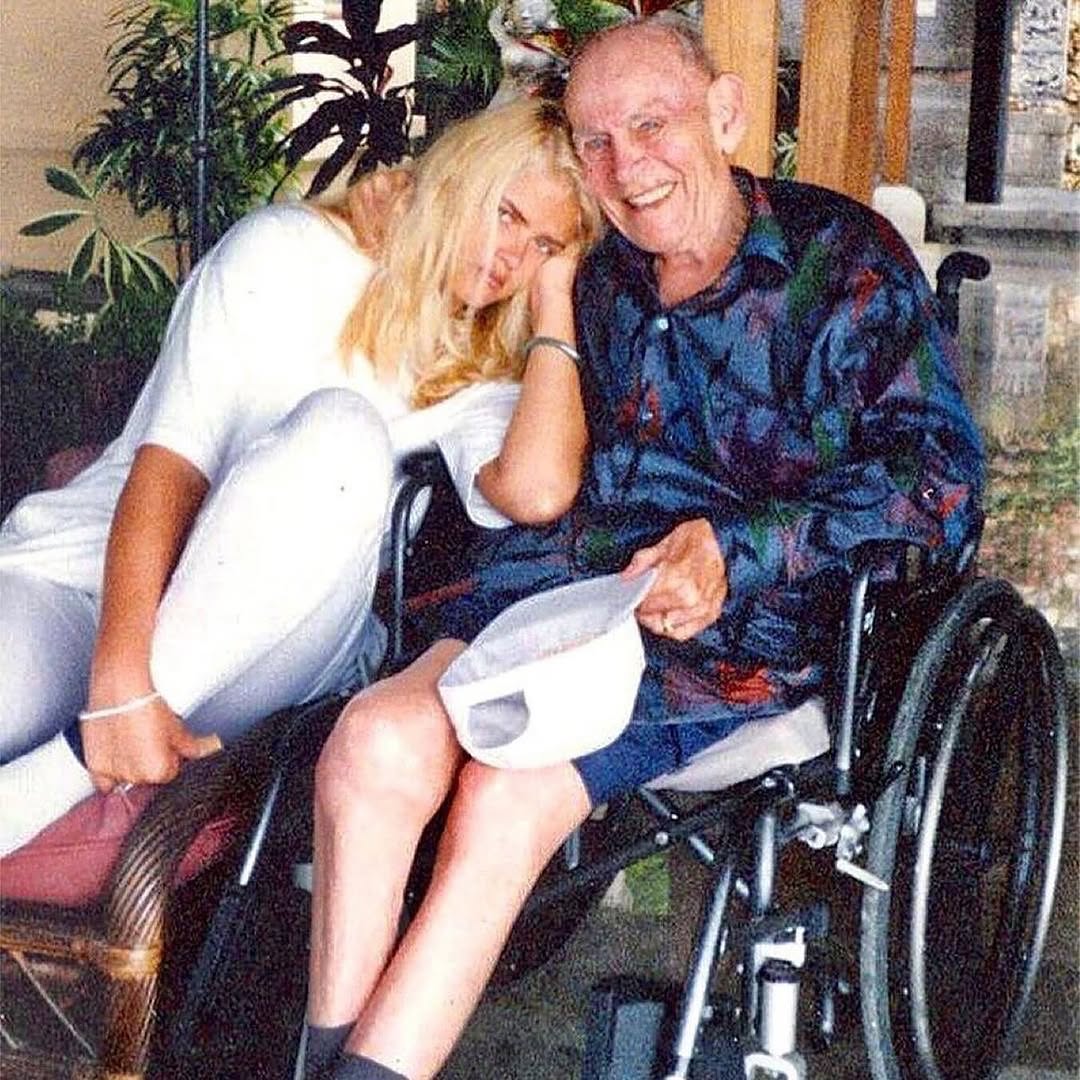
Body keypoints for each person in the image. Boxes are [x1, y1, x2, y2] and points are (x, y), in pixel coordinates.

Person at [302, 14, 984, 1080]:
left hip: (732, 633)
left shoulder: (840, 264)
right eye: (597, 140)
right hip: (556, 596)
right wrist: (385, 211)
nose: (627, 165)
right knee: (374, 741)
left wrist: (736, 551)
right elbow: (455, 268)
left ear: (725, 115)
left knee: (506, 793)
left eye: (653, 124)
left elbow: (938, 483)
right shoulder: (591, 270)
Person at [0, 96, 602, 858]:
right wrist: (118, 679)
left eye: (546, 245)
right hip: (82, 581)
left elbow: (539, 491)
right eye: (506, 214)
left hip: (265, 646)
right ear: (455, 180)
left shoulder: (478, 368)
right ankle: (107, 729)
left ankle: (55, 778)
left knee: (341, 435)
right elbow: (175, 463)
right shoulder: (284, 250)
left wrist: (556, 303)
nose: (512, 255)